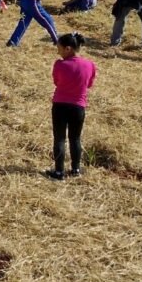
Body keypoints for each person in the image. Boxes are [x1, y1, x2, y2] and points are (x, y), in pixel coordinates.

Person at [48, 33, 96, 180]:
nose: (58, 52)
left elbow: (56, 82)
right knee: (75, 138)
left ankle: (59, 172)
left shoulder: (60, 64)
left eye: (59, 48)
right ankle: (75, 169)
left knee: (59, 138)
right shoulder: (89, 65)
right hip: (78, 107)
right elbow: (89, 84)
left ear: (68, 48)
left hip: (60, 106)